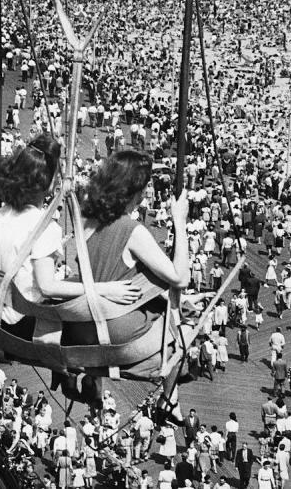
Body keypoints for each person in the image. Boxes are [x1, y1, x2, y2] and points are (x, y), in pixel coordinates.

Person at [0, 136, 140, 348]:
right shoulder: (44, 225)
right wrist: (105, 289)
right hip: (22, 323)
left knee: (75, 287)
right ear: (48, 181)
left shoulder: (0, 214)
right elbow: (48, 287)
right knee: (98, 323)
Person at [62, 150, 191, 408]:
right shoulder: (133, 231)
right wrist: (180, 222)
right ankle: (170, 400)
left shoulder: (88, 220)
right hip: (112, 328)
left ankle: (88, 383)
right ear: (136, 190)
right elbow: (181, 277)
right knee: (184, 329)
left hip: (81, 323)